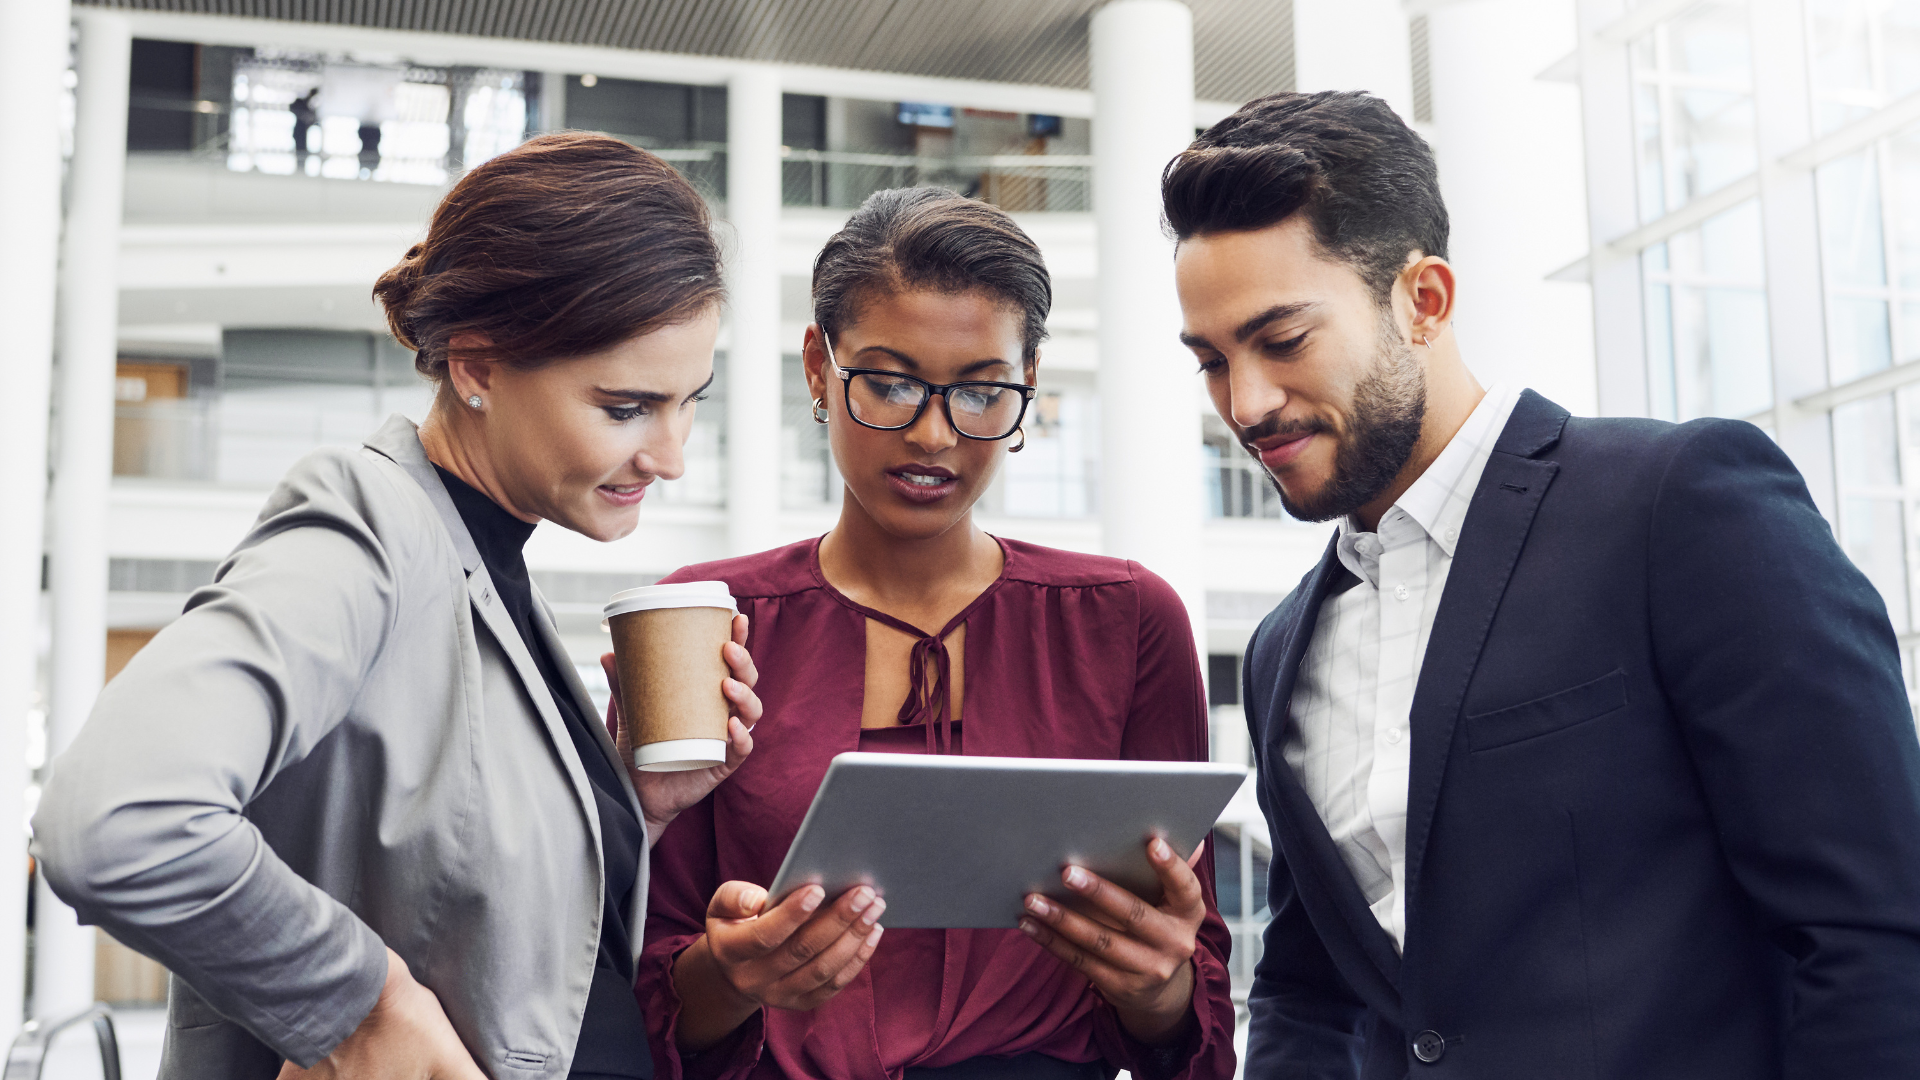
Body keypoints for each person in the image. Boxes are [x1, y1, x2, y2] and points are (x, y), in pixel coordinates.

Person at [1163, 90, 1920, 1078]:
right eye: (1212, 361)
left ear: (1423, 300)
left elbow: (1872, 931)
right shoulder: (1278, 652)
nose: (1246, 402)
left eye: (1283, 340)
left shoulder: (1677, 507)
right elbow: (1315, 992)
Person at [32, 132, 759, 1080]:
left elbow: (474, 920)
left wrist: (624, 807)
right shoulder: (368, 524)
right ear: (477, 368)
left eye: (688, 401)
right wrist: (363, 1010)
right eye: (625, 407)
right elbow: (114, 819)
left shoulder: (484, 560)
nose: (671, 454)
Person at [635, 188, 1238, 1080]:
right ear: (817, 366)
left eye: (981, 392)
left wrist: (1156, 987)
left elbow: (1195, 1016)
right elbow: (646, 987)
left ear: (1028, 382)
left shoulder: (1128, 620)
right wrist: (735, 972)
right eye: (888, 381)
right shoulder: (703, 619)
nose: (932, 433)